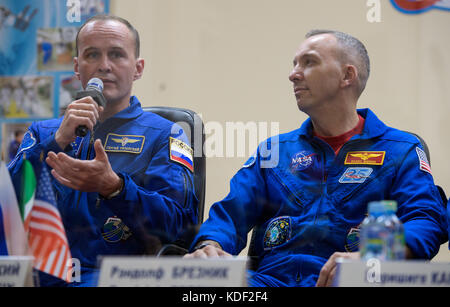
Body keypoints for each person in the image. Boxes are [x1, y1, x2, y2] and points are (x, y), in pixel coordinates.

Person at [184, 30, 448, 287]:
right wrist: (210, 246)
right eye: (294, 64)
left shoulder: (399, 150)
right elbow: (230, 214)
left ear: (347, 75)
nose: (293, 74)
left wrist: (372, 258)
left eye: (309, 62)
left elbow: (425, 222)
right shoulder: (274, 151)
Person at [8, 15, 197, 286]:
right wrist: (57, 141)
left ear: (138, 68)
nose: (103, 66)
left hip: (113, 277)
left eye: (117, 55)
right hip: (39, 273)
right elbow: (8, 208)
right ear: (77, 66)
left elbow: (179, 228)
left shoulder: (167, 134)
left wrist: (116, 188)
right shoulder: (43, 132)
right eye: (92, 54)